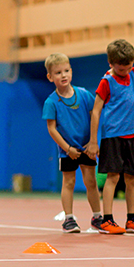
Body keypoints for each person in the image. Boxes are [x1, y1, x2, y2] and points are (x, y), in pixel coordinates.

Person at [87, 39, 134, 234]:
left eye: (128, 66)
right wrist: (93, 141)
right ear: (110, 63)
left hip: (130, 136)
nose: (125, 70)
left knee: (132, 178)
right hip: (112, 136)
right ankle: (107, 220)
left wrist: (131, 59)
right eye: (121, 67)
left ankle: (131, 219)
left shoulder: (133, 74)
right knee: (113, 177)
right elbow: (96, 111)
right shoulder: (107, 81)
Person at [42, 53, 104, 233]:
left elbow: (94, 116)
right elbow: (52, 129)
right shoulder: (51, 102)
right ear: (50, 77)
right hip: (67, 150)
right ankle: (69, 219)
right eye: (58, 72)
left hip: (87, 147)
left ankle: (97, 216)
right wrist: (67, 148)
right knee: (68, 182)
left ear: (71, 72)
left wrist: (94, 141)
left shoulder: (84, 94)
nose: (63, 75)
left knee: (91, 181)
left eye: (66, 71)